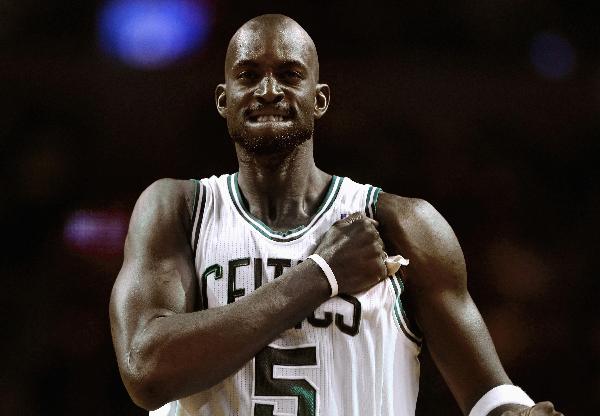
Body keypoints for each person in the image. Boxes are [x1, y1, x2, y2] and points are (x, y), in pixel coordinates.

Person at [109, 14, 563, 416]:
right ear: (224, 99)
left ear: (319, 98)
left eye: (289, 74)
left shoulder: (403, 225)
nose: (269, 90)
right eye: (249, 75)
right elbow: (145, 370)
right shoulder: (178, 209)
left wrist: (519, 413)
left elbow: (489, 395)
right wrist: (320, 275)